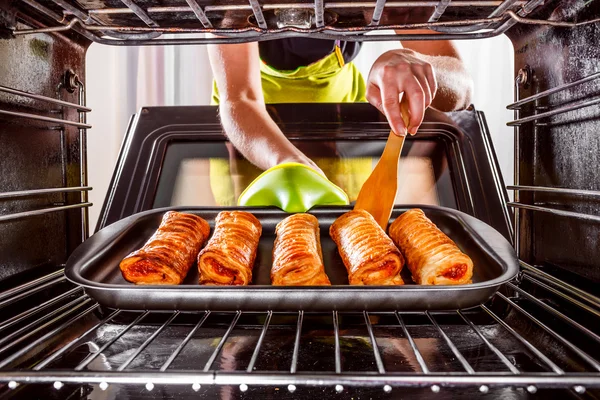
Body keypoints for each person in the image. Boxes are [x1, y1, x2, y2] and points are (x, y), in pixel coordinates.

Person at [205, 33, 473, 206]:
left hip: (342, 110)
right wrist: (289, 162)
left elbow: (462, 87)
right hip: (252, 132)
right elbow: (240, 99)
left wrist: (419, 63)